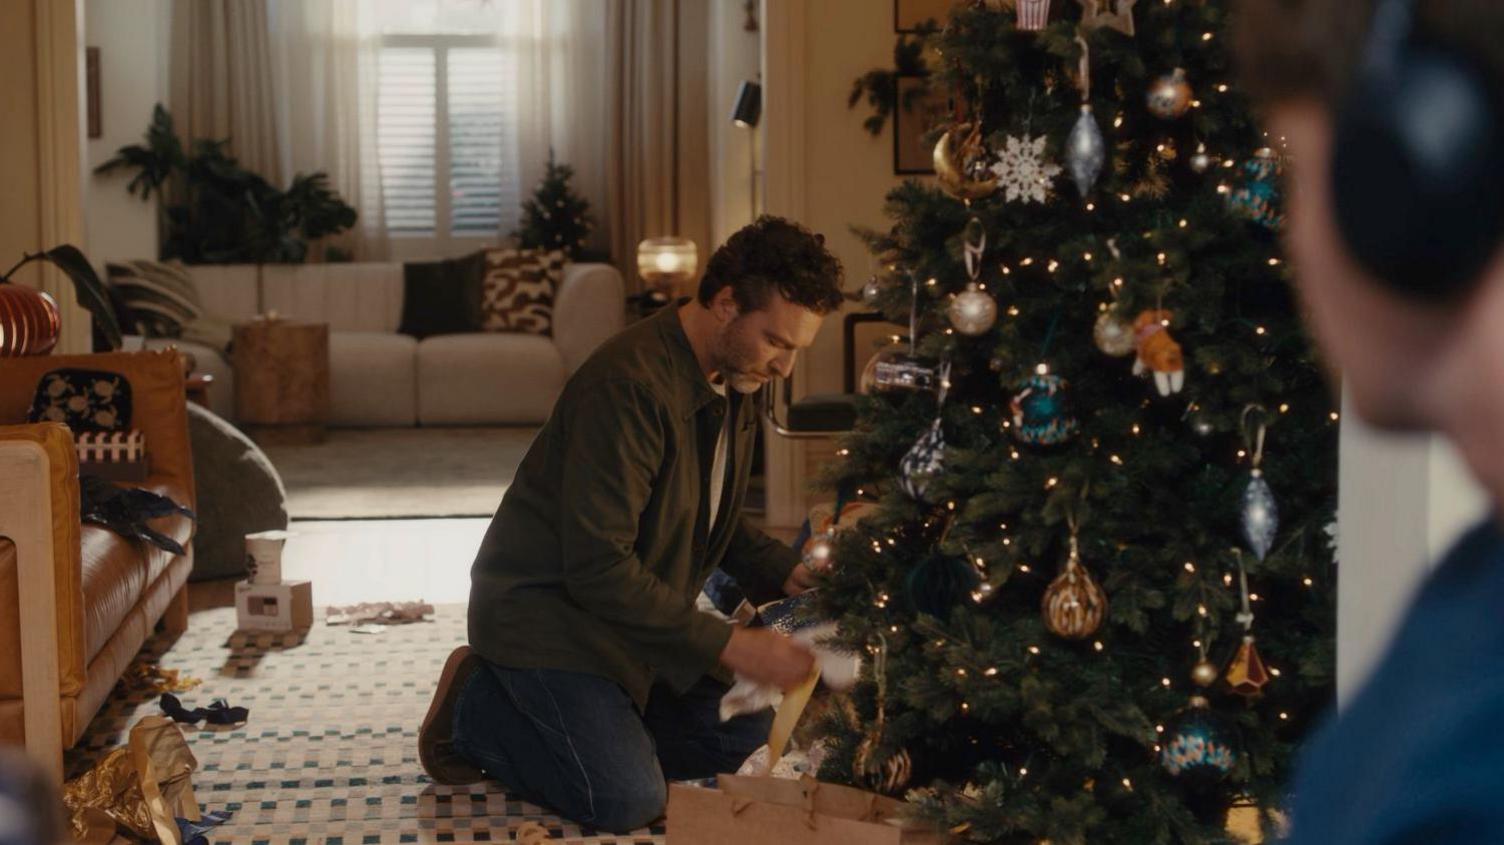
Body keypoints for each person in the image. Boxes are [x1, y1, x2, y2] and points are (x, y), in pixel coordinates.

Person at [417, 216, 845, 832]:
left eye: (796, 349)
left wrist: (787, 571)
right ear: (726, 304)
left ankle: (604, 725)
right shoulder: (629, 387)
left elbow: (707, 516)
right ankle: (477, 710)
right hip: (550, 622)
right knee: (626, 801)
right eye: (778, 342)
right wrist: (729, 643)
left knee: (748, 737)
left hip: (632, 629)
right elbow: (599, 569)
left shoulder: (734, 375)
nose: (785, 367)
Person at [1236, 0, 1504, 841]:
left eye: (1293, 173)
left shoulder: (1467, 763)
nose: (1292, 241)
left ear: (1407, 179)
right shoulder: (1473, 586)